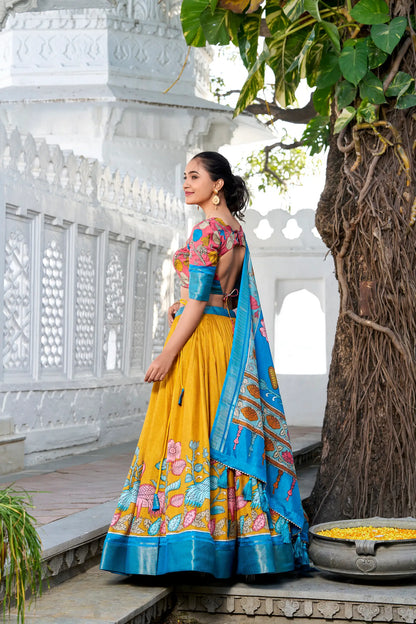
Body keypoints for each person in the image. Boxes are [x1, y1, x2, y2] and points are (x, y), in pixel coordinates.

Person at [100, 152, 308, 578]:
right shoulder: (237, 232)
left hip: (198, 342)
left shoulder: (206, 230)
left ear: (217, 185)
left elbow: (196, 303)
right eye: (184, 176)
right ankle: (240, 543)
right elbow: (228, 297)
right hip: (228, 340)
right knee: (223, 435)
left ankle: (185, 542)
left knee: (190, 429)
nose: (186, 183)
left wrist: (167, 353)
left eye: (195, 176)